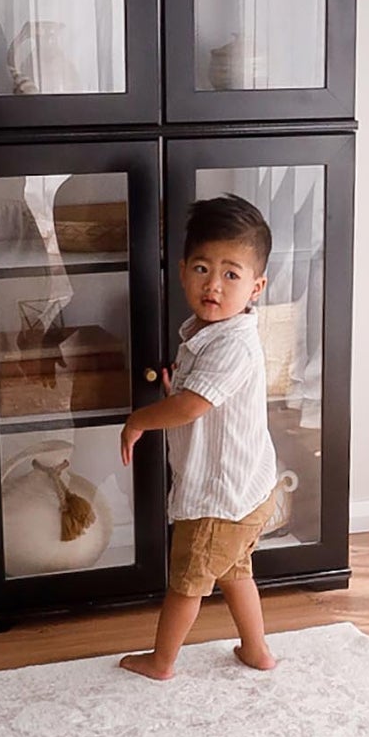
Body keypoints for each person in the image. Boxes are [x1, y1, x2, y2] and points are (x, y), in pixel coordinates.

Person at [119, 194, 280, 681]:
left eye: (232, 274)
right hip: (246, 489)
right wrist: (178, 390)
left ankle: (161, 661)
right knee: (235, 571)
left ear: (256, 287)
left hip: (218, 497)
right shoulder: (207, 331)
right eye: (203, 269)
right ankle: (256, 650)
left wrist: (141, 419)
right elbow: (196, 395)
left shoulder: (233, 345)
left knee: (187, 582)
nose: (214, 284)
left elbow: (193, 406)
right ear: (184, 270)